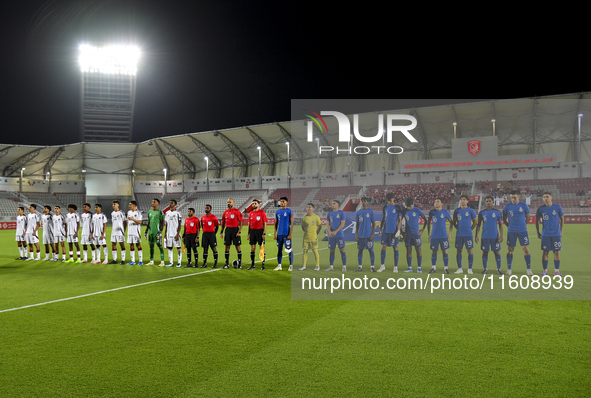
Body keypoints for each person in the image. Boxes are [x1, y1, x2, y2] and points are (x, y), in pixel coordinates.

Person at [503, 190, 532, 276]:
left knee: (526, 249)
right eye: (511, 197)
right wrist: (509, 225)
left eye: (514, 197)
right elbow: (504, 218)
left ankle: (529, 269)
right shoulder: (507, 206)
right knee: (510, 249)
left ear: (519, 197)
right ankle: (509, 269)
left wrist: (523, 225)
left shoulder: (523, 205)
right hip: (511, 231)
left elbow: (528, 216)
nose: (513, 199)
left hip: (523, 231)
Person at [535, 192, 564, 276]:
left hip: (556, 233)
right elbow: (536, 221)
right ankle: (545, 270)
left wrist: (561, 231)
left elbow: (562, 218)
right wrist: (538, 232)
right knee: (545, 251)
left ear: (551, 197)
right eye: (544, 197)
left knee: (556, 251)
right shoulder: (540, 209)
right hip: (545, 233)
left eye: (547, 197)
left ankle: (557, 271)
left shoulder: (557, 207)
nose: (545, 198)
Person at [475, 196, 504, 275]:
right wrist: (476, 235)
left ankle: (498, 269)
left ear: (492, 202)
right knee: (485, 252)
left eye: (490, 201)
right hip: (485, 236)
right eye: (487, 201)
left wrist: (501, 235)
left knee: (497, 252)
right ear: (485, 203)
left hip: (495, 236)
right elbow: (478, 225)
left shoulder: (497, 212)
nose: (488, 202)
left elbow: (501, 225)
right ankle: (485, 269)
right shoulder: (482, 212)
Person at [451, 195, 477, 274]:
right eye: (461, 199)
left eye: (464, 199)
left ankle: (470, 268)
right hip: (459, 234)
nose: (462, 201)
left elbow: (475, 221)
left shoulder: (471, 210)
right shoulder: (457, 211)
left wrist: (470, 229)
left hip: (468, 234)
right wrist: (458, 228)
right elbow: (454, 221)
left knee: (470, 250)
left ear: (467, 201)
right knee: (459, 250)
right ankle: (460, 268)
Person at [401, 198, 427, 273]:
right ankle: (409, 267)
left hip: (416, 234)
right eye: (407, 206)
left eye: (409, 206)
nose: (408, 208)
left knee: (418, 250)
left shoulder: (417, 210)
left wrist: (422, 230)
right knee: (408, 250)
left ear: (413, 204)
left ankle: (419, 267)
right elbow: (399, 220)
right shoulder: (405, 211)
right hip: (407, 234)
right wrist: (402, 232)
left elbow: (425, 220)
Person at [378, 193, 402, 273]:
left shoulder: (398, 207)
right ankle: (382, 266)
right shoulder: (385, 207)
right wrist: (380, 229)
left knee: (395, 247)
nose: (389, 202)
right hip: (386, 230)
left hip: (394, 231)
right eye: (387, 201)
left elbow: (400, 220)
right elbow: (383, 218)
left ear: (393, 199)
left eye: (390, 200)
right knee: (383, 246)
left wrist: (398, 230)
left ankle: (395, 267)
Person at [427, 198, 452, 274]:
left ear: (441, 204)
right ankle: (433, 267)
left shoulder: (445, 212)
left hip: (443, 235)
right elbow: (428, 223)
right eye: (435, 202)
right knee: (434, 251)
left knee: (444, 251)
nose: (436, 203)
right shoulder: (431, 212)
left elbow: (451, 222)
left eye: (438, 202)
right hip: (434, 235)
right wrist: (429, 234)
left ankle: (446, 268)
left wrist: (450, 233)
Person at [221, 198, 243, 269]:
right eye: (228, 202)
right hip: (227, 230)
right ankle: (226, 264)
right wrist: (221, 231)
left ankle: (239, 265)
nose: (228, 203)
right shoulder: (225, 212)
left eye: (230, 202)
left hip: (235, 230)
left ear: (233, 203)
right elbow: (223, 223)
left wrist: (239, 231)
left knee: (237, 246)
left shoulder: (237, 211)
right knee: (227, 247)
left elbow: (241, 222)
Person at [325, 200, 347, 271]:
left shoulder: (342, 213)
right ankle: (331, 266)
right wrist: (330, 232)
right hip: (332, 235)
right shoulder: (330, 213)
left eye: (334, 203)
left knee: (342, 250)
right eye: (332, 203)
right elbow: (327, 224)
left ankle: (344, 266)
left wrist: (335, 231)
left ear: (338, 205)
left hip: (339, 234)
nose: (332, 204)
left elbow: (342, 224)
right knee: (331, 250)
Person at [355, 197, 376, 272]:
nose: (363, 202)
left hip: (368, 235)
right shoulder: (358, 212)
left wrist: (373, 234)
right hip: (360, 235)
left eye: (365, 201)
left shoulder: (371, 212)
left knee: (371, 250)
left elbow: (374, 223)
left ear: (367, 202)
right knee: (360, 251)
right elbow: (357, 224)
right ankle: (360, 267)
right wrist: (356, 234)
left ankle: (372, 267)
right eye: (362, 201)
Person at [299, 203, 321, 271]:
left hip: (313, 238)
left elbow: (320, 226)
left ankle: (317, 266)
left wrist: (316, 233)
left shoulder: (316, 217)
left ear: (313, 209)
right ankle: (304, 266)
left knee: (315, 251)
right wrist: (306, 232)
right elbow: (302, 227)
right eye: (307, 207)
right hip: (306, 238)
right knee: (305, 251)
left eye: (310, 207)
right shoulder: (304, 218)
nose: (308, 208)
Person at [274, 196, 294, 271]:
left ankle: (291, 265)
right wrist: (275, 234)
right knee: (279, 250)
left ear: (286, 202)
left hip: (286, 234)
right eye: (281, 201)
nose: (282, 203)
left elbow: (292, 224)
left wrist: (290, 234)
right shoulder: (277, 212)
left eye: (283, 201)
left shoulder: (289, 211)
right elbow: (276, 224)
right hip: (279, 234)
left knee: (289, 250)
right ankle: (279, 265)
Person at [144, 198, 165, 266]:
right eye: (152, 202)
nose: (152, 203)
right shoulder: (150, 212)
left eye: (154, 202)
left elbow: (162, 223)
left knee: (159, 245)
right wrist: (146, 231)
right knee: (151, 246)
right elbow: (148, 222)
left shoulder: (160, 212)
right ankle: (151, 261)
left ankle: (162, 262)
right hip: (151, 232)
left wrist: (160, 231)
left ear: (157, 203)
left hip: (157, 232)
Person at [247, 199, 267, 270]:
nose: (253, 205)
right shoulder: (250, 213)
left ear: (259, 204)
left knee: (261, 248)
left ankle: (263, 265)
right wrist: (248, 234)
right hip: (252, 232)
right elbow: (249, 224)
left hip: (259, 231)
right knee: (252, 248)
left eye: (255, 203)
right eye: (252, 204)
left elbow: (265, 223)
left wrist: (264, 233)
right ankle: (252, 265)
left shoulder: (262, 213)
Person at [164, 199, 183, 267]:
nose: (170, 204)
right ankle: (171, 262)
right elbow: (166, 224)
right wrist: (165, 233)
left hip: (175, 233)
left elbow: (180, 224)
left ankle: (179, 262)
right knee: (169, 248)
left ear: (175, 204)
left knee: (178, 247)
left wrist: (178, 234)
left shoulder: (178, 213)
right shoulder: (167, 213)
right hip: (169, 234)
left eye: (172, 203)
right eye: (170, 203)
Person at [201, 204, 219, 268]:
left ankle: (215, 264)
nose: (206, 209)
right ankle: (204, 263)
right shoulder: (202, 217)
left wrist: (214, 233)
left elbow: (217, 226)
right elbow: (202, 226)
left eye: (208, 208)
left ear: (210, 209)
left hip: (211, 234)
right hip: (205, 234)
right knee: (205, 249)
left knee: (213, 248)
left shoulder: (214, 217)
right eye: (206, 208)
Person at [109, 200, 127, 265]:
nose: (113, 205)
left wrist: (123, 231)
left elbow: (125, 222)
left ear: (118, 205)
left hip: (120, 232)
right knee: (113, 245)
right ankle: (115, 259)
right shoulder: (112, 213)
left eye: (114, 204)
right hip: (113, 232)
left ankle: (123, 260)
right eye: (113, 204)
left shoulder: (121, 212)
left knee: (122, 245)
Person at [126, 200, 143, 265]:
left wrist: (132, 219)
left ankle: (140, 261)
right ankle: (132, 261)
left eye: (130, 205)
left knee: (138, 245)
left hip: (136, 232)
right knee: (131, 245)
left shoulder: (138, 212)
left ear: (134, 205)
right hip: (130, 231)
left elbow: (140, 222)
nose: (129, 206)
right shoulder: (129, 212)